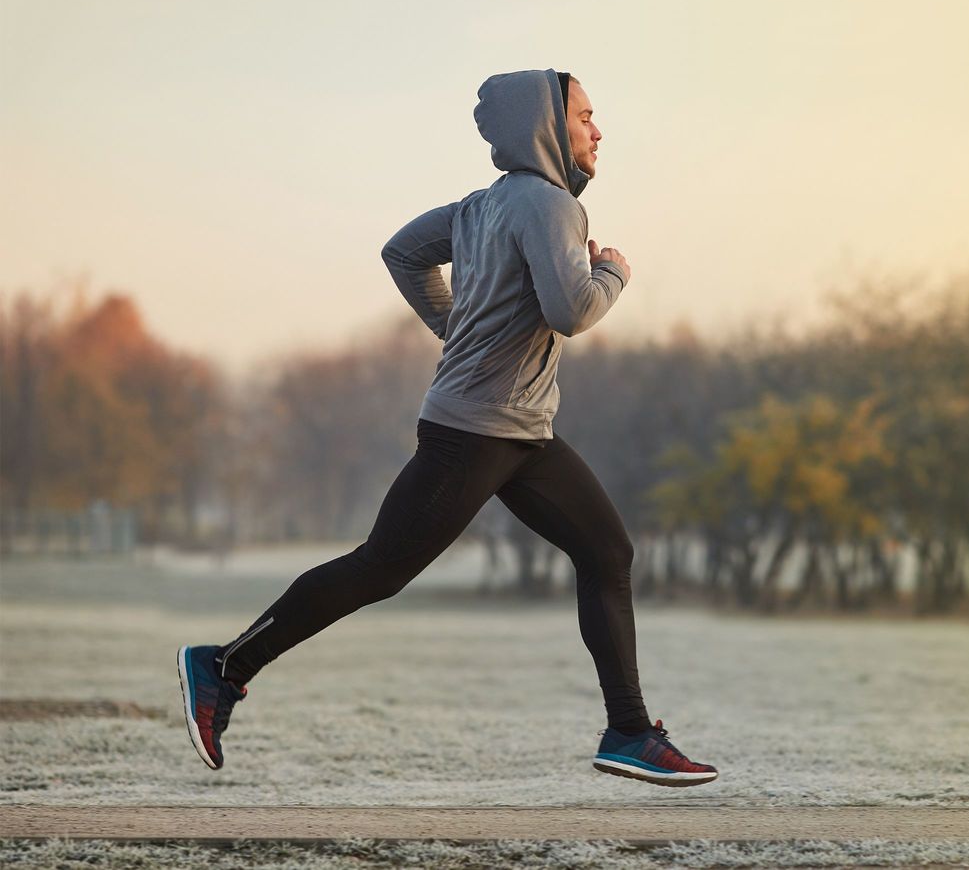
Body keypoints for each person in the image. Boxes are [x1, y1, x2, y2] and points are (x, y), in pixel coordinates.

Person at [176, 69, 718, 787]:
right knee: (381, 567)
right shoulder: (552, 207)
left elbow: (402, 251)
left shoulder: (483, 206)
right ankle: (222, 667)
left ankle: (628, 731)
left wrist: (452, 325)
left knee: (607, 553)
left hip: (522, 433)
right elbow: (572, 311)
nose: (597, 130)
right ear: (548, 126)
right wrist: (613, 273)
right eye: (586, 115)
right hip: (476, 432)